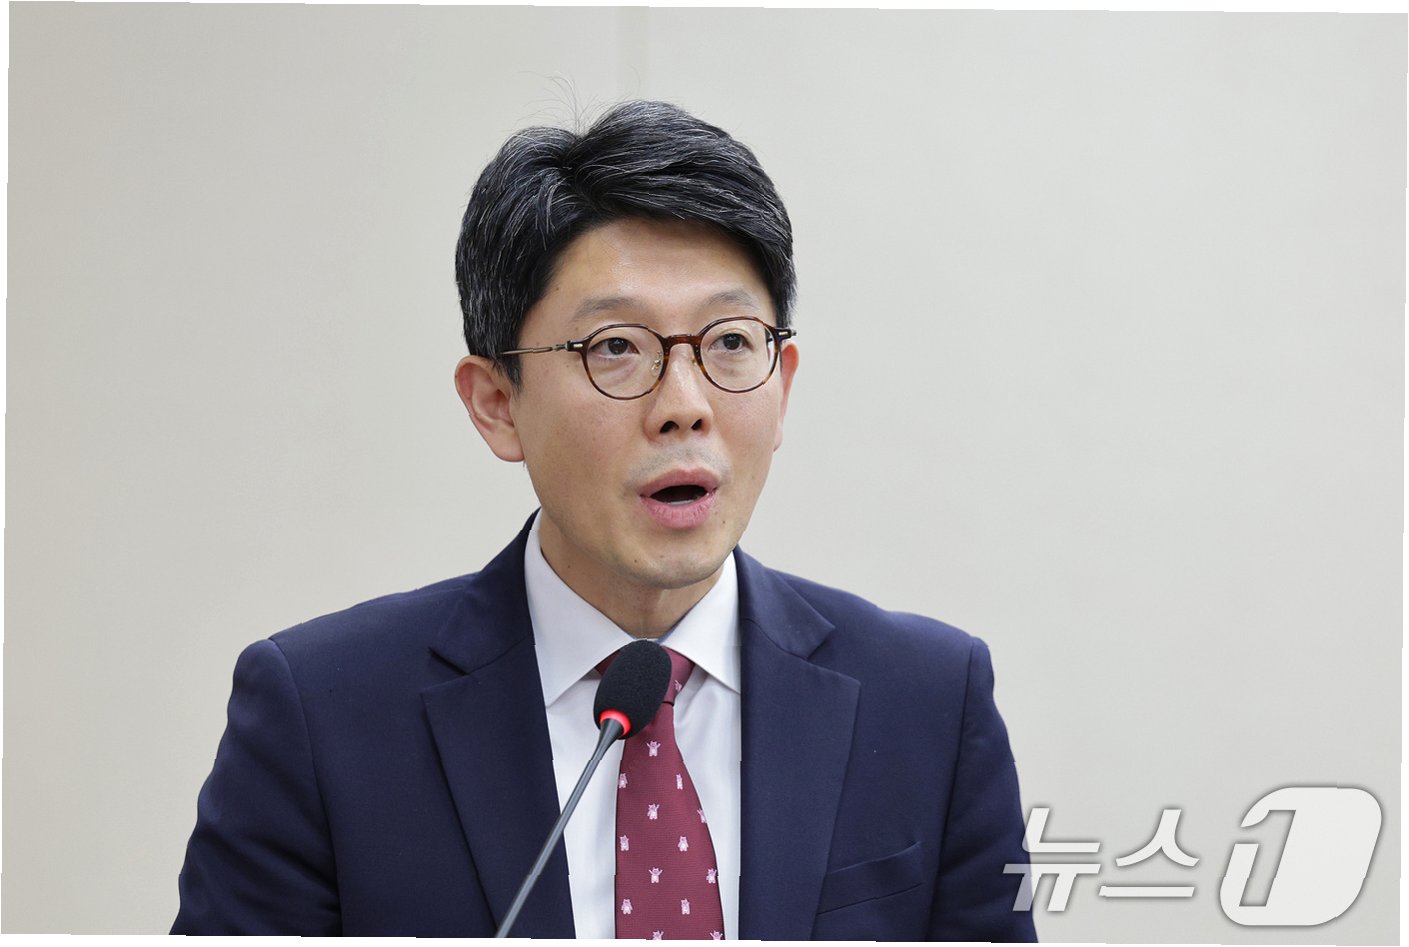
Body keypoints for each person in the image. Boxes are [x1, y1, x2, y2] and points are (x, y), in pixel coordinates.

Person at [171, 100, 1036, 940]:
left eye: (730, 342)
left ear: (782, 386)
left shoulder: (926, 701)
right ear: (496, 403)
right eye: (615, 347)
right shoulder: (321, 717)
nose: (685, 405)